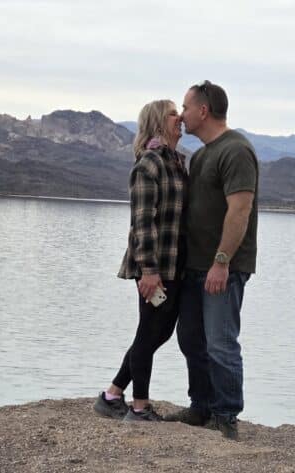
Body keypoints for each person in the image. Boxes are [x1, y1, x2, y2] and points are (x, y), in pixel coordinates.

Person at [164, 81, 258, 440]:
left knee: (220, 342)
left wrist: (222, 261)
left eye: (186, 108)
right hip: (194, 265)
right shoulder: (201, 155)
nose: (182, 115)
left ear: (203, 111)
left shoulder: (236, 151)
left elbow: (240, 210)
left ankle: (226, 414)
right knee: (190, 338)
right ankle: (201, 405)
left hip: (224, 267)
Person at [93, 99, 188, 421]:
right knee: (149, 332)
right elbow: (143, 221)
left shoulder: (176, 161)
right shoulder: (149, 163)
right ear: (159, 121)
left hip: (174, 264)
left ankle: (112, 394)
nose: (181, 118)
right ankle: (139, 406)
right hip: (154, 266)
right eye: (174, 113)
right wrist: (149, 271)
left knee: (159, 333)